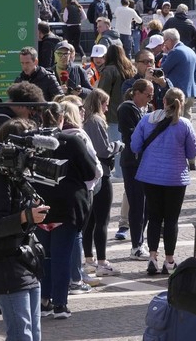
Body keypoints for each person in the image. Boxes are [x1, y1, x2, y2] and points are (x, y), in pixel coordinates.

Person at [0, 119, 48, 341]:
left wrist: (33, 217)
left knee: (32, 334)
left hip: (23, 260)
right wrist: (26, 216)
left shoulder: (12, 176)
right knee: (20, 335)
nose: (33, 156)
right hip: (4, 262)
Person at [33, 103, 101, 319]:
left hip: (39, 205)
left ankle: (44, 300)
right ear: (61, 119)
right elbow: (91, 171)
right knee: (62, 256)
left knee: (44, 256)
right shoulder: (71, 140)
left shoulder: (32, 140)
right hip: (67, 206)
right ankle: (60, 304)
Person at [131, 88, 196, 275]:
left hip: (150, 175)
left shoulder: (147, 120)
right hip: (175, 177)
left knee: (153, 217)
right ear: (181, 103)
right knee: (171, 220)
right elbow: (192, 153)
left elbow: (135, 145)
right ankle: (169, 260)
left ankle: (152, 256)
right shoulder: (184, 124)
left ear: (163, 102)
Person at [80, 90, 121, 277]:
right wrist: (118, 146)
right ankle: (102, 262)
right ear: (100, 103)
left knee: (89, 220)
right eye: (106, 104)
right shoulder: (96, 121)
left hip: (87, 175)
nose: (107, 107)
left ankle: (89, 259)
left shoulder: (85, 119)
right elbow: (103, 150)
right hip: (101, 174)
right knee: (102, 219)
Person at [117, 79, 152, 259]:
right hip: (132, 162)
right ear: (136, 93)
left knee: (146, 206)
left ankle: (141, 240)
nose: (150, 98)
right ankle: (135, 245)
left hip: (145, 162)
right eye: (147, 95)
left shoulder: (147, 110)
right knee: (137, 203)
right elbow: (132, 135)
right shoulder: (126, 109)